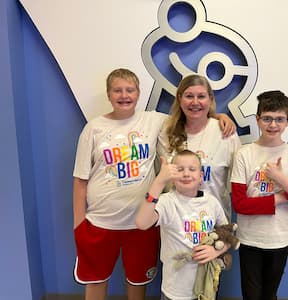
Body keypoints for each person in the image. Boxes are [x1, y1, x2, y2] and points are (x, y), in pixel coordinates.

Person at [72, 68, 235, 300]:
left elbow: (193, 114)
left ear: (139, 93)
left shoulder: (153, 120)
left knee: (138, 281)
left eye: (130, 90)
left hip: (143, 223)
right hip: (100, 221)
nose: (124, 95)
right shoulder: (93, 128)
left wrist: (218, 117)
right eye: (117, 90)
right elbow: (80, 179)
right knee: (96, 281)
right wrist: (79, 224)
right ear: (109, 95)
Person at [230, 90, 288, 300]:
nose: (273, 125)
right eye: (267, 118)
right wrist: (285, 196)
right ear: (258, 119)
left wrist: (283, 181)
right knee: (251, 295)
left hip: (279, 240)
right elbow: (240, 205)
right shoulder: (244, 154)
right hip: (249, 239)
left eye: (279, 119)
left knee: (270, 295)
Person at [136, 149, 229, 300]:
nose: (186, 173)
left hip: (206, 287)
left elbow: (227, 235)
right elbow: (142, 223)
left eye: (192, 169)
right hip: (175, 290)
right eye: (179, 170)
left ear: (201, 176)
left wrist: (217, 251)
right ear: (172, 177)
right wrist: (159, 182)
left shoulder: (212, 202)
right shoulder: (167, 202)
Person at [158, 74, 242, 220]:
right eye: (189, 96)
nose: (195, 102)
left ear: (210, 99)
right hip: (175, 224)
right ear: (179, 98)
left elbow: (242, 181)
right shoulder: (165, 131)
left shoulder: (225, 133)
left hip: (213, 224)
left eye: (201, 96)